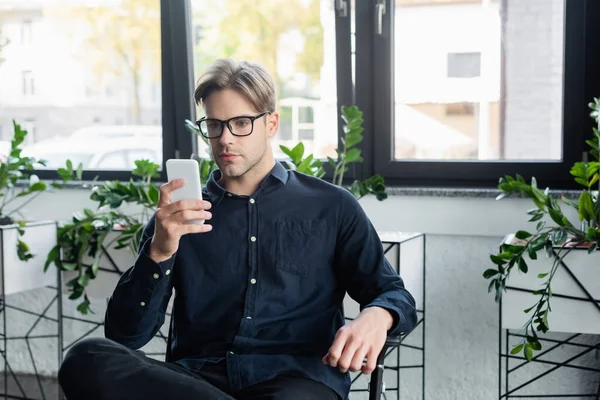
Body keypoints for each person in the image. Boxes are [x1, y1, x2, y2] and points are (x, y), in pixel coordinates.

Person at [58, 58, 418, 400]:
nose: (225, 139)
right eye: (214, 125)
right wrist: (160, 251)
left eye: (241, 123)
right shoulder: (176, 218)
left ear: (271, 124)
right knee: (86, 358)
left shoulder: (332, 206)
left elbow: (392, 293)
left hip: (295, 382)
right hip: (197, 380)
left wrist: (378, 315)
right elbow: (126, 335)